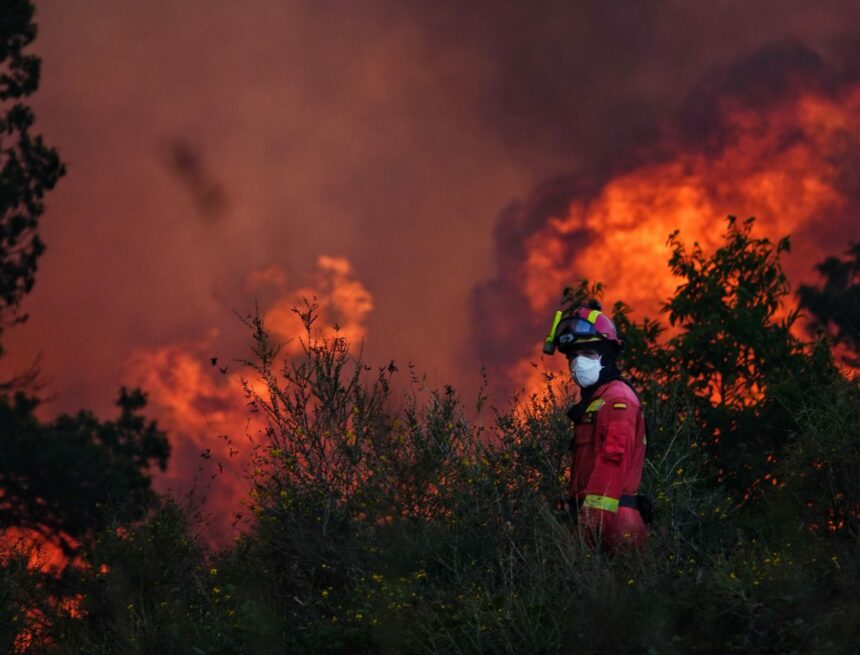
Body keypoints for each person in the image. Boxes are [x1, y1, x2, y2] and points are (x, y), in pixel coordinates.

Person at [551, 302, 649, 552]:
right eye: (573, 355)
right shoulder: (598, 400)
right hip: (598, 522)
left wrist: (590, 524)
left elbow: (611, 463)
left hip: (612, 527)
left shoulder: (618, 400)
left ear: (607, 356)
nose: (578, 363)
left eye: (589, 354)